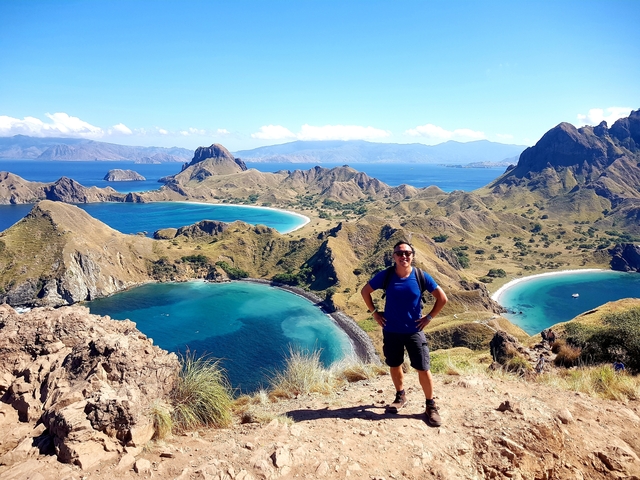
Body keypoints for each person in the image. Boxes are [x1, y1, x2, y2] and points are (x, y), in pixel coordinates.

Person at [361, 240, 448, 426]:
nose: (403, 256)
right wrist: (375, 314)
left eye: (407, 253)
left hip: (414, 331)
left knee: (423, 368)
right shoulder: (386, 276)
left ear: (412, 256)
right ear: (393, 256)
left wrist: (429, 317)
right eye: (399, 253)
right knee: (395, 364)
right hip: (391, 330)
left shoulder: (420, 276)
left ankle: (430, 405)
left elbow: (442, 298)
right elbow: (365, 291)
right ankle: (400, 396)